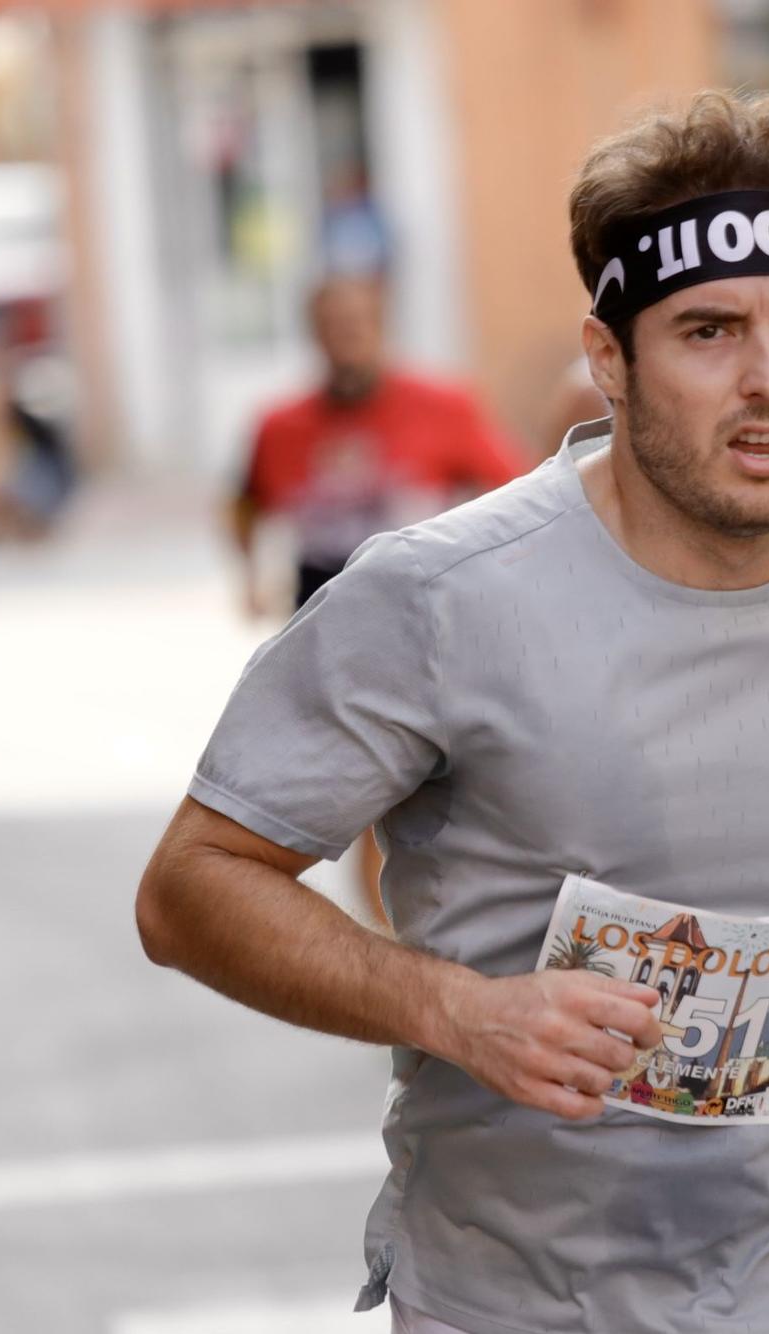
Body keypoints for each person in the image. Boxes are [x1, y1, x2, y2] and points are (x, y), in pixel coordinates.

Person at [141, 90, 769, 1334]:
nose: (767, 382)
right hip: (519, 1289)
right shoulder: (438, 599)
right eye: (705, 332)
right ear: (606, 356)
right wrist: (457, 1010)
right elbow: (192, 882)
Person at [229, 275, 526, 929]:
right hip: (326, 635)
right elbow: (244, 501)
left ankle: (421, 940)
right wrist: (248, 574)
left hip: (428, 627)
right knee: (367, 805)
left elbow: (517, 492)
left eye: (358, 321)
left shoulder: (443, 406)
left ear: (382, 322)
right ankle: (391, 946)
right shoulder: (279, 426)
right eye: (333, 324)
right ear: (314, 333)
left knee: (433, 793)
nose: (347, 337)